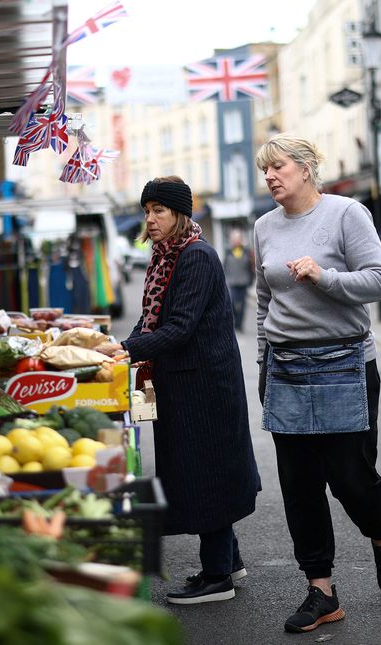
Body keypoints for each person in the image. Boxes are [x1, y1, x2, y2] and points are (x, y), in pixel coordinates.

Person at [252, 134, 381, 634]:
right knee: (298, 486)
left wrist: (325, 277)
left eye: (278, 167)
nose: (271, 177)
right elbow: (263, 302)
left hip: (345, 364)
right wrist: (262, 363)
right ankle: (321, 591)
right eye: (265, 170)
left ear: (305, 168)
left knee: (350, 479)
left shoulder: (346, 214)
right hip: (287, 367)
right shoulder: (263, 228)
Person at [94, 176, 261, 605]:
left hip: (203, 386)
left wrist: (124, 349)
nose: (149, 219)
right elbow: (150, 320)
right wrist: (120, 346)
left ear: (179, 214)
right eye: (147, 210)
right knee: (203, 471)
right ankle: (230, 560)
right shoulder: (167, 256)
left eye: (158, 211)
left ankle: (217, 577)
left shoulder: (196, 257)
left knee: (204, 472)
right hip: (182, 383)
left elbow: (179, 328)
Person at [223, 229, 254, 332]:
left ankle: (240, 324)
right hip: (231, 282)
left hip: (243, 282)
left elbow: (251, 267)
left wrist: (251, 279)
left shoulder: (246, 251)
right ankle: (235, 322)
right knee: (232, 303)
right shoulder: (228, 252)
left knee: (242, 305)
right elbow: (225, 266)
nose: (236, 241)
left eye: (238, 239)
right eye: (234, 239)